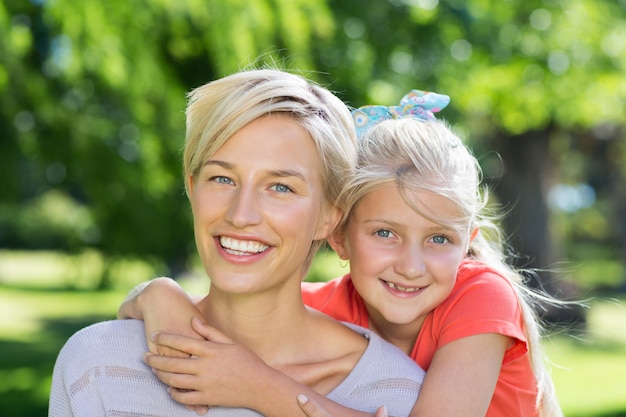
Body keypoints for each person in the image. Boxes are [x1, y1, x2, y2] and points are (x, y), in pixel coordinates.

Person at [119, 92, 564, 417]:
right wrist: (157, 292)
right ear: (339, 236)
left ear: (468, 241)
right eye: (386, 232)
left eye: (439, 239)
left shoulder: (482, 296)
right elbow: (211, 311)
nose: (411, 265)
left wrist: (256, 386)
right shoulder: (330, 305)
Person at [48, 69, 427, 417]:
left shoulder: (399, 396)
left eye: (280, 187)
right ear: (193, 188)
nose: (241, 214)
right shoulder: (98, 366)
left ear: (330, 215)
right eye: (222, 179)